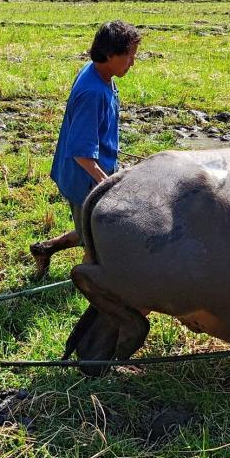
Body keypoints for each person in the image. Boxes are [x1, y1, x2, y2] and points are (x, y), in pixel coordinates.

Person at [30, 20, 141, 276]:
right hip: (85, 179)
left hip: (91, 171)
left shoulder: (98, 73)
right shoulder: (92, 92)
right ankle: (92, 283)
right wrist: (107, 185)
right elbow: (81, 153)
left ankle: (45, 248)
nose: (133, 63)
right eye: (129, 56)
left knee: (87, 230)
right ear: (111, 55)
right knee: (95, 239)